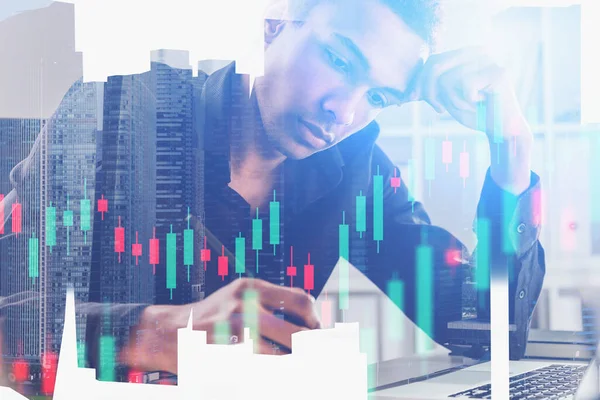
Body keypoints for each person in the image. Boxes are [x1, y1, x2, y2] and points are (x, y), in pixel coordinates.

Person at [1, 0, 544, 385]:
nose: (345, 111)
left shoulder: (360, 173)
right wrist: (163, 330)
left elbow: (487, 333)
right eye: (338, 60)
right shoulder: (116, 110)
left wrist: (513, 155)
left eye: (377, 94)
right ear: (271, 24)